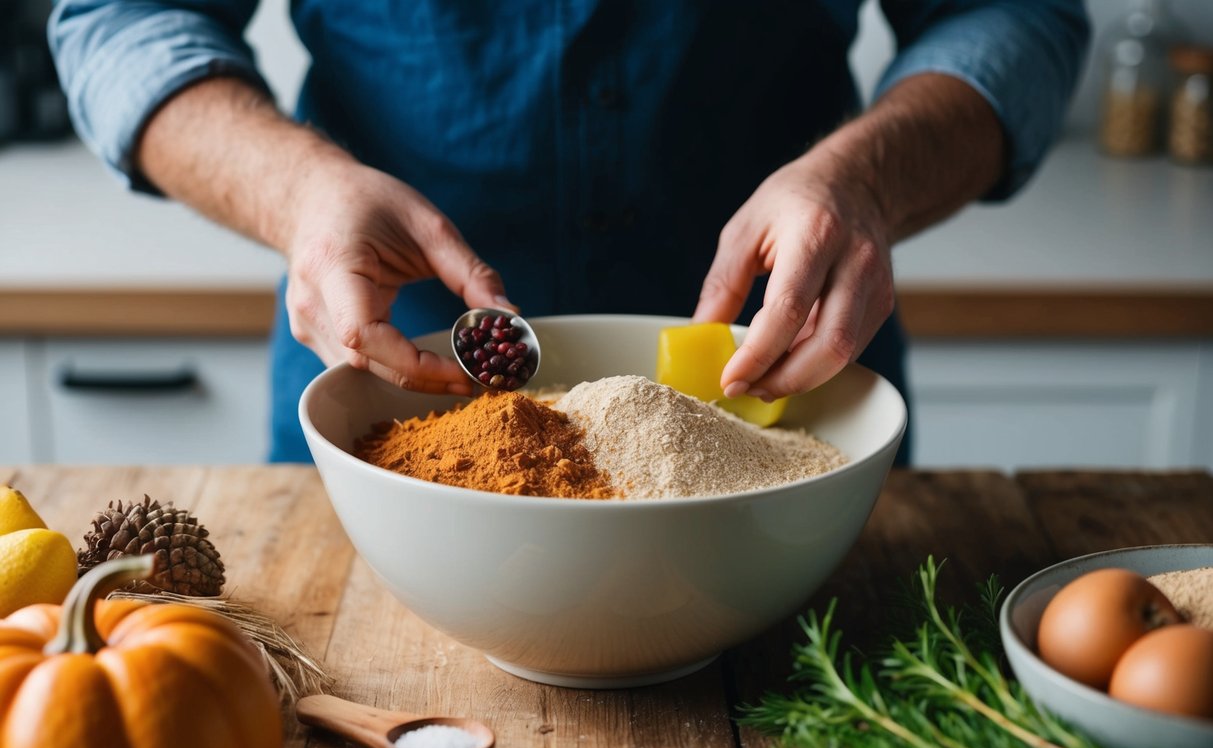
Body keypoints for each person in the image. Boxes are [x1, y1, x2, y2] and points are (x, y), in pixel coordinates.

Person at [49, 1, 1089, 464]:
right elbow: (117, 18)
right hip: (395, 392)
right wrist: (296, 192)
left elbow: (1016, 15)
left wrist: (863, 176)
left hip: (787, 400)